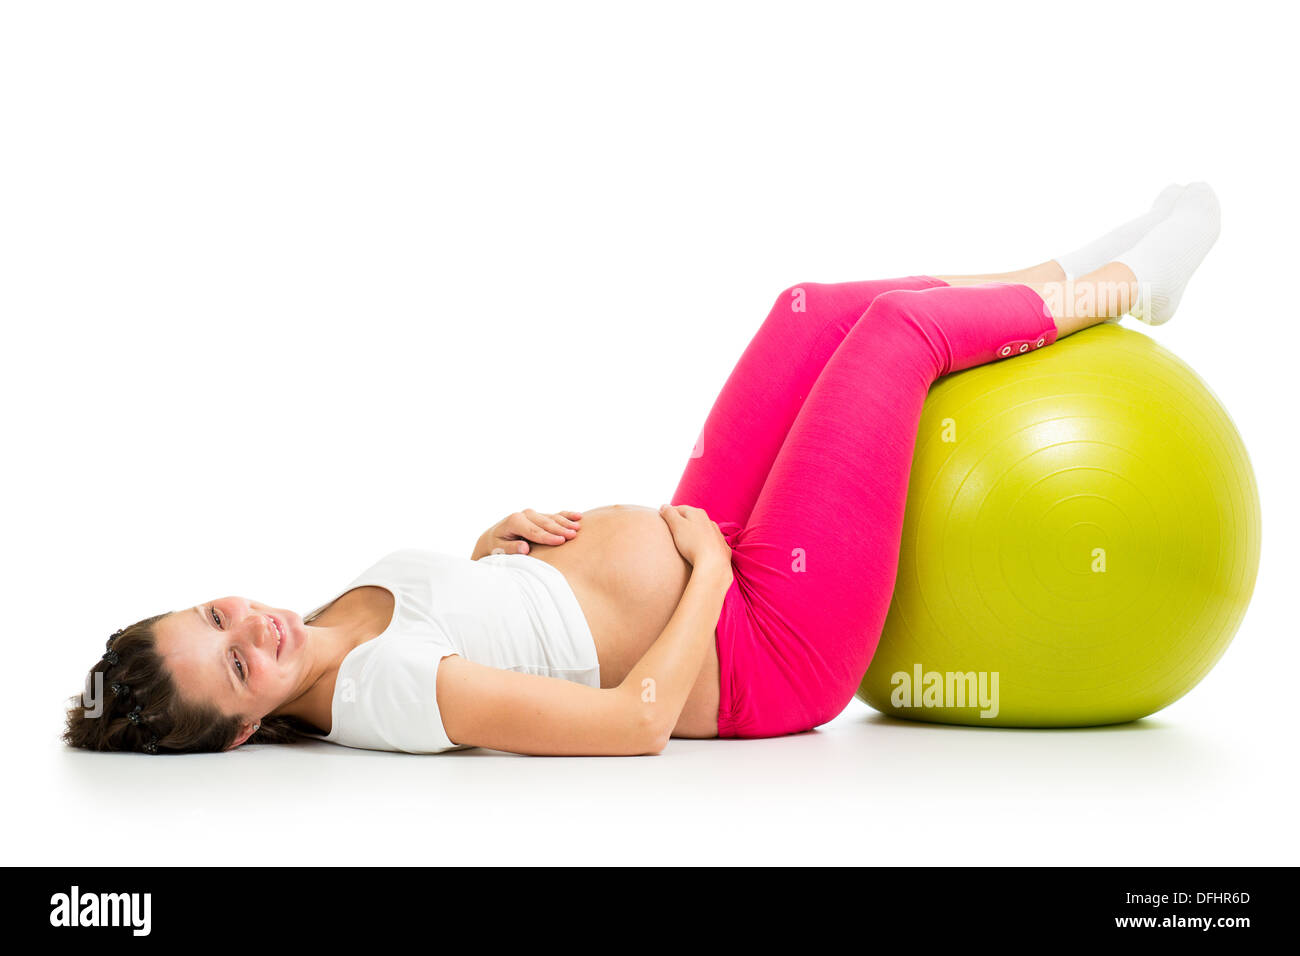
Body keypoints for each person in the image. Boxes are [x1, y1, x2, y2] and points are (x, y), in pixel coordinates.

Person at [63, 183, 1221, 757]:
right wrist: (709, 574)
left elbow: (495, 621)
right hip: (764, 642)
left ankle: (1073, 266)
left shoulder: (335, 622)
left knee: (802, 311)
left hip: (711, 541)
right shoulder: (388, 694)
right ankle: (1129, 289)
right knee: (893, 343)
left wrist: (492, 547)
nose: (246, 625)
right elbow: (633, 724)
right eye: (229, 661)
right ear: (235, 730)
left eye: (213, 610)